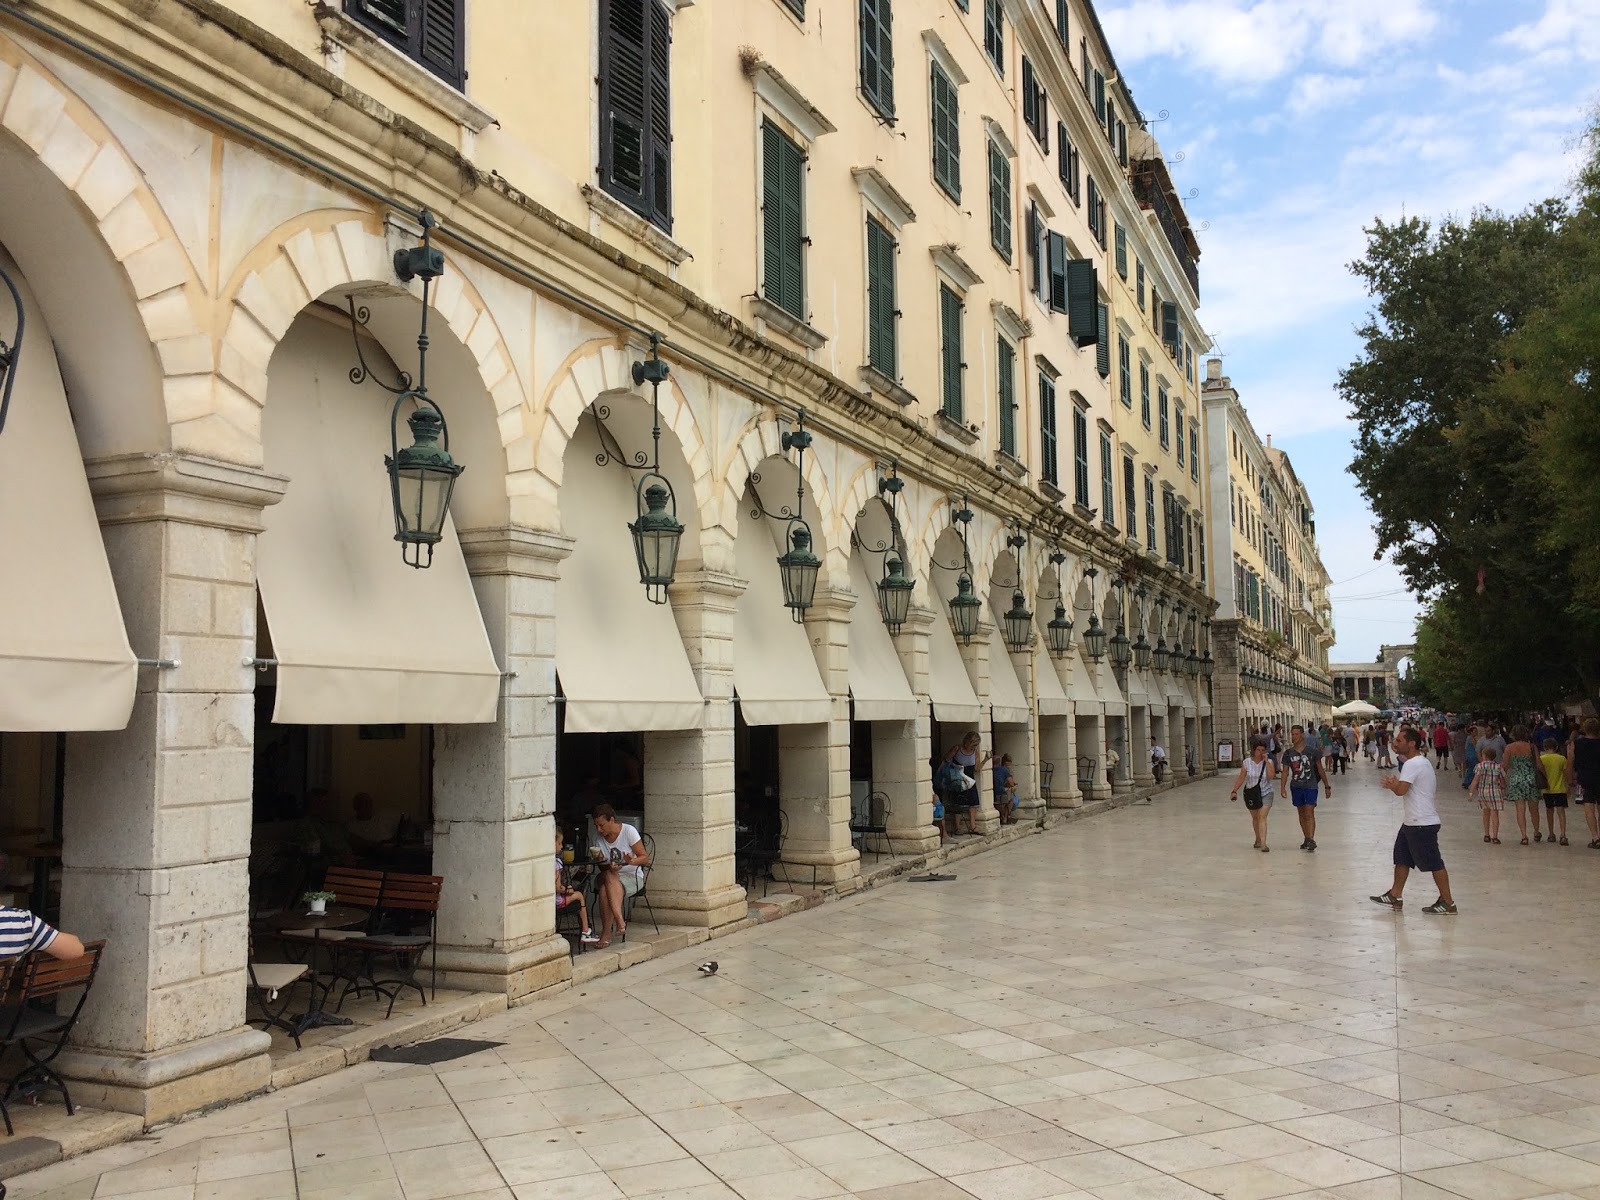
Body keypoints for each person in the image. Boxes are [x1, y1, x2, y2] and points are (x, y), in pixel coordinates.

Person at [1370, 728, 1456, 914]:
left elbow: (1401, 790)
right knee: (1402, 857)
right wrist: (1396, 784)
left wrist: (1393, 786)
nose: (1395, 743)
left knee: (1434, 862)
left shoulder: (1413, 764)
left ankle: (1448, 902)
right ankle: (1395, 894)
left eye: (1400, 740)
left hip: (1421, 822)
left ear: (1412, 743)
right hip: (1412, 821)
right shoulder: (1418, 762)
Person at [591, 804, 648, 948]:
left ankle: (606, 933)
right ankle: (619, 920)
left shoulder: (629, 831)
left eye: (602, 825)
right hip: (609, 875)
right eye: (596, 826)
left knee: (604, 890)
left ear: (611, 820)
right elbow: (602, 867)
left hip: (631, 875)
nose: (599, 829)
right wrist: (605, 864)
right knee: (610, 874)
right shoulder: (598, 839)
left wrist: (631, 861)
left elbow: (644, 858)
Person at [1280, 724, 1332, 852]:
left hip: (1310, 786)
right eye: (1292, 734)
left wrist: (1326, 785)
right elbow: (1285, 771)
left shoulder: (1312, 752)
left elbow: (1320, 768)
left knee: (1309, 812)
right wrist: (1282, 787)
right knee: (1301, 813)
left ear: (1302, 735)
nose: (1294, 736)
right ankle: (1306, 837)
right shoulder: (1288, 753)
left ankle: (1311, 839)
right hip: (1296, 786)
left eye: (1296, 734)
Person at [1229, 742, 1277, 852]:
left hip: (1266, 792)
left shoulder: (1269, 762)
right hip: (1252, 793)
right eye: (1258, 750)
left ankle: (1264, 844)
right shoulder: (1247, 763)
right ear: (1254, 751)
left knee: (1262, 816)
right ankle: (1258, 839)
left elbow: (1271, 776)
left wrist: (1267, 762)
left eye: (1263, 750)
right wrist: (1234, 790)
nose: (1260, 752)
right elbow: (1241, 777)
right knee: (1255, 817)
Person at [554, 829, 598, 945]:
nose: (561, 846)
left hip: (546, 901)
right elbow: (557, 887)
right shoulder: (556, 864)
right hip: (556, 902)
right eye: (559, 843)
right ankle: (585, 930)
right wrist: (567, 890)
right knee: (578, 895)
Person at [1504, 725, 1544, 845]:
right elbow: (1539, 764)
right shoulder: (1532, 747)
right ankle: (1536, 832)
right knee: (1534, 809)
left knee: (1520, 809)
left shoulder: (1509, 748)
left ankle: (1524, 835)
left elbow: (1505, 765)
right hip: (1531, 779)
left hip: (1516, 779)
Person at [944, 732, 989, 835]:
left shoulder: (975, 752)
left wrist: (985, 759)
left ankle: (973, 826)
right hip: (958, 778)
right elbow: (946, 759)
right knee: (958, 802)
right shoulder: (957, 749)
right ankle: (957, 827)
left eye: (975, 745)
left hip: (970, 780)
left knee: (973, 803)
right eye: (973, 744)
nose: (973, 747)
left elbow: (977, 768)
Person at [1571, 717, 1600, 848]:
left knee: (1589, 806)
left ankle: (1595, 837)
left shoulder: (1577, 744)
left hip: (1585, 778)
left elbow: (1571, 760)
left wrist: (1569, 778)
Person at [1469, 745, 1506, 844]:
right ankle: (1495, 836)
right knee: (1495, 814)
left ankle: (1486, 834)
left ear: (1484, 756)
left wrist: (1471, 792)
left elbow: (1475, 780)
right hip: (1495, 791)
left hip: (1483, 791)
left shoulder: (1480, 766)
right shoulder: (1498, 767)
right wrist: (1503, 789)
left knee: (1486, 813)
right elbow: (1502, 781)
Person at [1537, 738, 1570, 846]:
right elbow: (1565, 773)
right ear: (1556, 747)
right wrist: (1568, 786)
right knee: (1561, 812)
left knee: (1549, 811)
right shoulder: (1562, 759)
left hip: (1547, 789)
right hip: (1559, 788)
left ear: (1544, 748)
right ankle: (1563, 834)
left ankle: (1551, 833)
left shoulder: (1542, 759)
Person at [991, 753, 1018, 824]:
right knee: (1011, 799)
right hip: (1001, 791)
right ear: (1000, 762)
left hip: (992, 792)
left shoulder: (990, 770)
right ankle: (1005, 817)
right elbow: (1011, 783)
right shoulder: (1003, 770)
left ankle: (1003, 816)